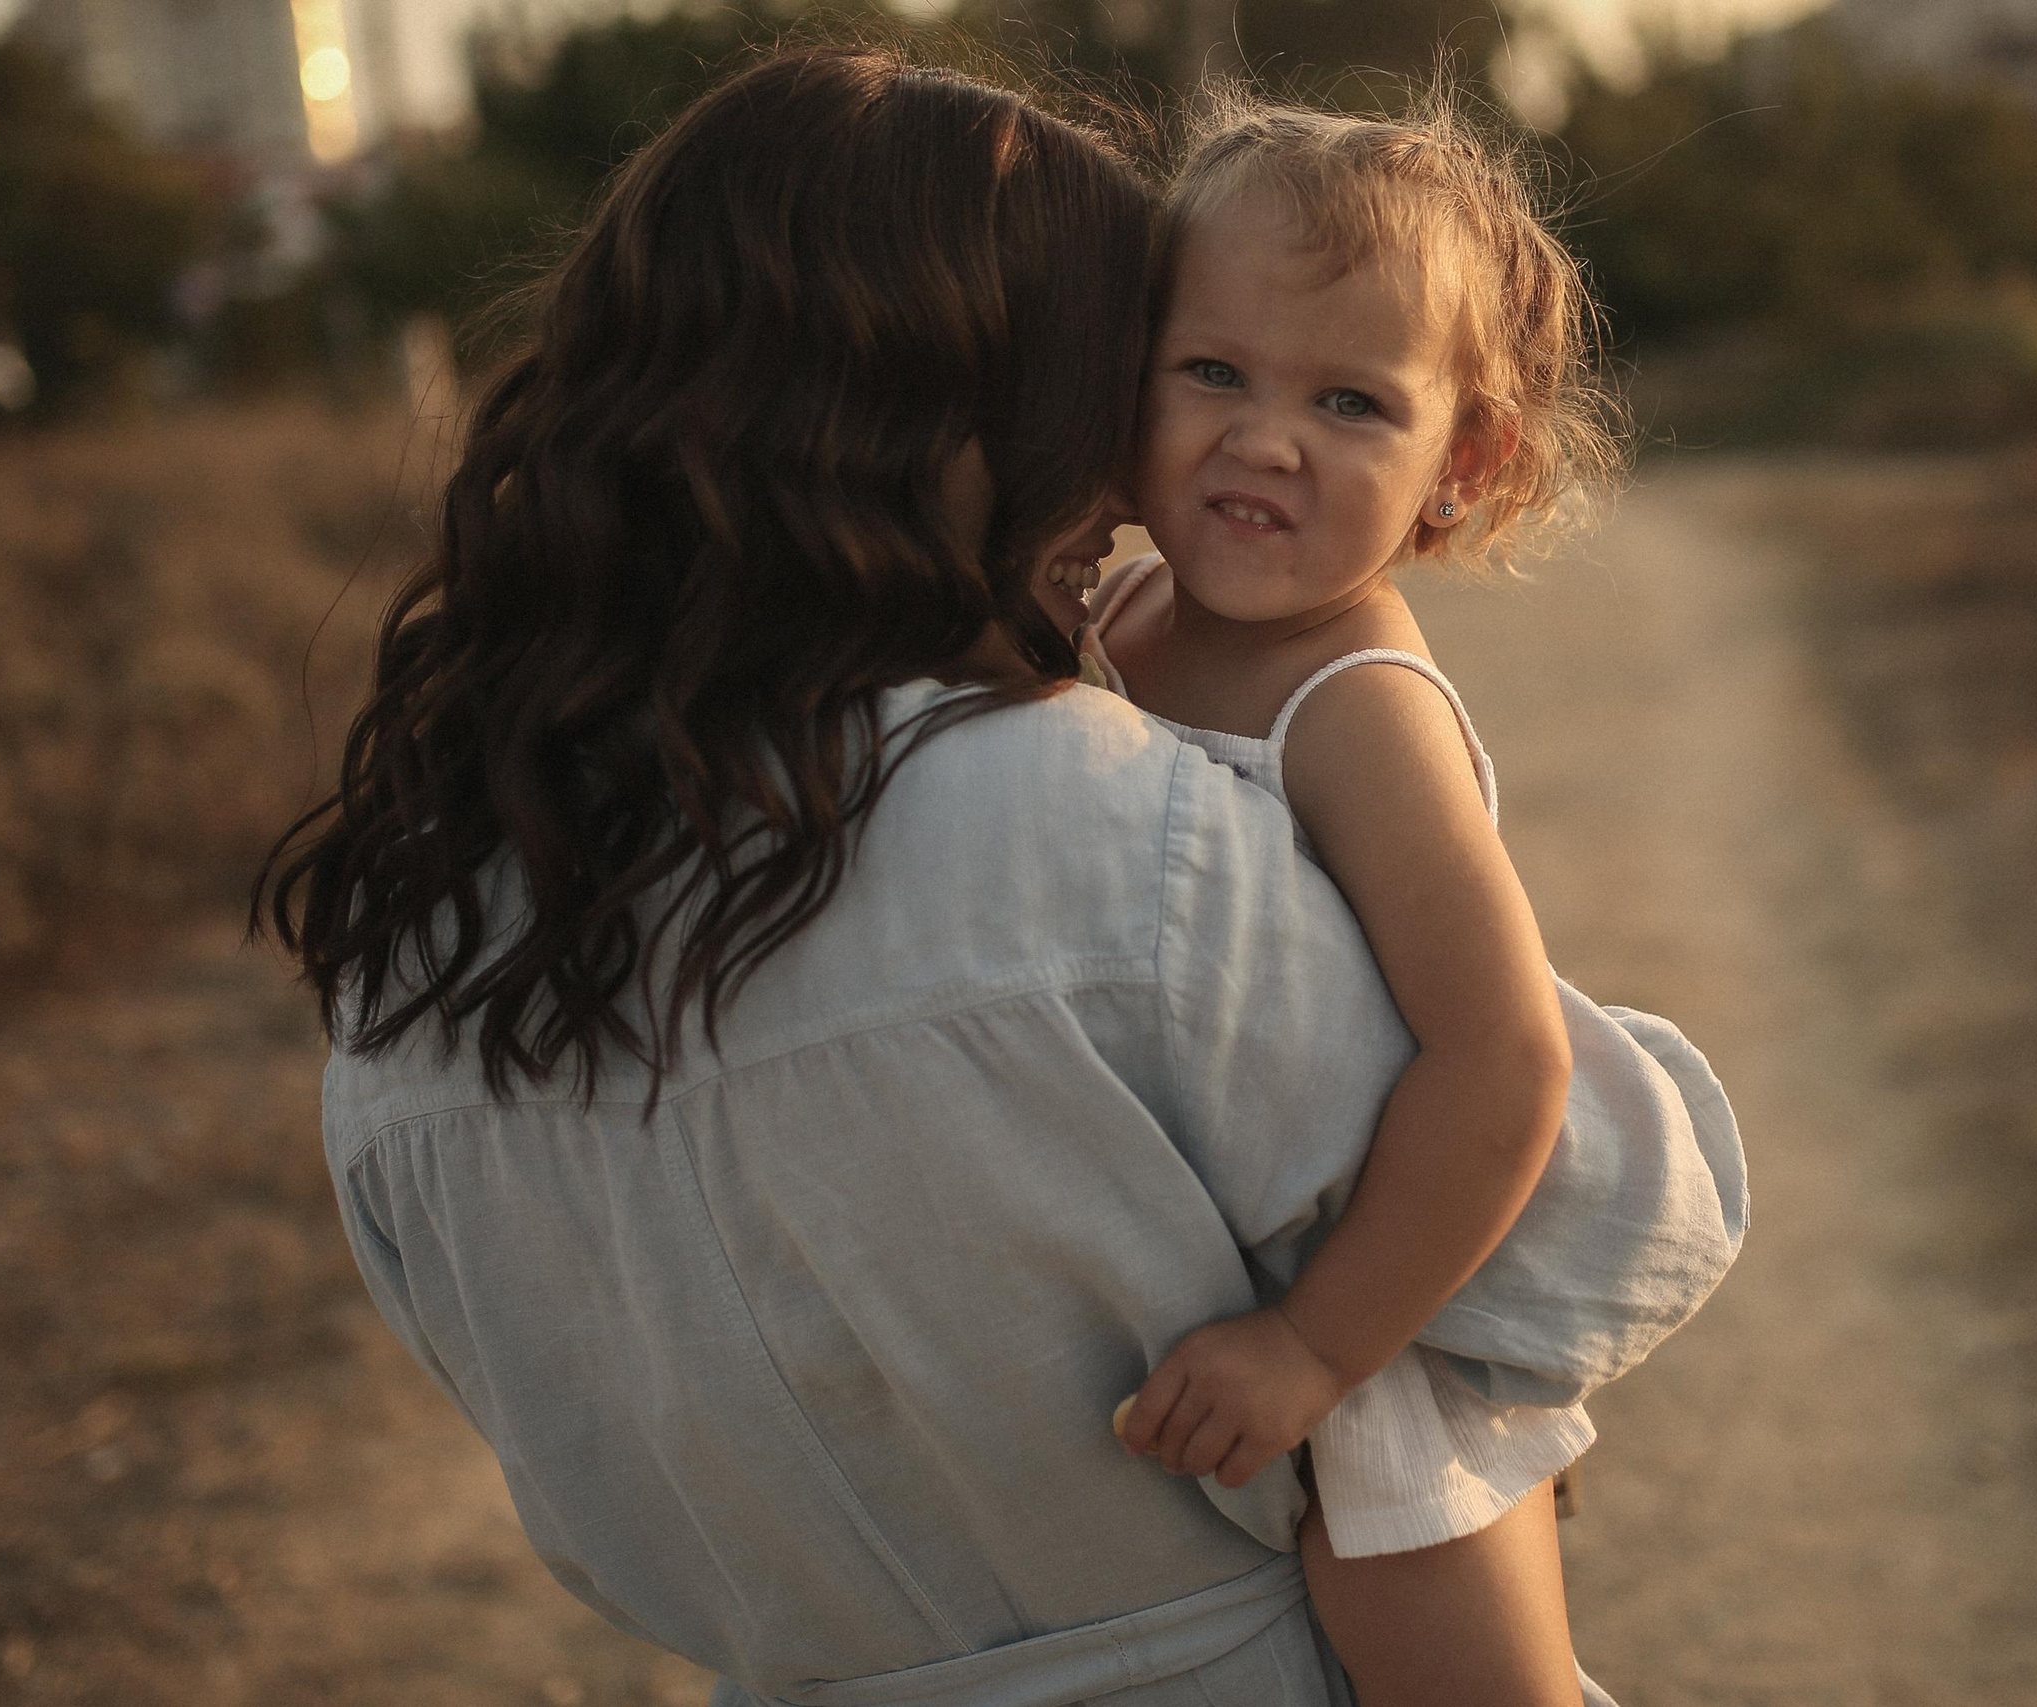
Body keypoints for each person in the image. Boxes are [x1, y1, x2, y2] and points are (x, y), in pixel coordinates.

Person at [257, 44, 1743, 1707]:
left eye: (1343, 398)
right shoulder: (1099, 833)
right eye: (1150, 383)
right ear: (930, 415)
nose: (1134, 481)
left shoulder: (414, 967)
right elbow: (1592, 1214)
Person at [1084, 96, 1646, 1706]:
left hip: (1383, 1313)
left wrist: (1321, 1347)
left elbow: (1505, 1058)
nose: (1267, 439)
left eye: (1348, 400)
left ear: (1459, 464)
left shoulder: (1356, 707)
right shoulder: (1119, 609)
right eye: (1215, 373)